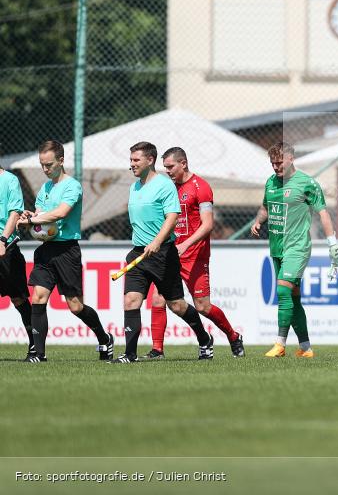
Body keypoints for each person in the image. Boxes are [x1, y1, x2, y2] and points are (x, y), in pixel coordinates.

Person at [109, 141, 213, 363]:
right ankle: (129, 354)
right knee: (131, 301)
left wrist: (157, 241)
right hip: (138, 253)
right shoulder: (134, 187)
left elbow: (172, 217)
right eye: (131, 160)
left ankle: (204, 339)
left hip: (162, 254)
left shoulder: (165, 185)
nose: (132, 165)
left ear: (150, 160)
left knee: (176, 305)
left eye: (136, 160)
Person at [143, 147, 244, 360]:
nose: (167, 171)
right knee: (158, 301)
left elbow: (207, 225)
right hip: (170, 254)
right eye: (165, 167)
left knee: (203, 307)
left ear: (184, 163)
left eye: (171, 167)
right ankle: (157, 350)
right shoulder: (168, 188)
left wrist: (185, 244)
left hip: (194, 256)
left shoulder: (201, 187)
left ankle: (233, 336)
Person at [18, 140, 113, 362]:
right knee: (39, 297)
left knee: (75, 306)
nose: (45, 169)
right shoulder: (45, 187)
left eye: (49, 164)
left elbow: (60, 213)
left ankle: (104, 338)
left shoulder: (72, 186)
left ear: (61, 161)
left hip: (66, 250)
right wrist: (29, 218)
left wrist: (33, 219)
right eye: (42, 164)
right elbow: (41, 217)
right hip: (46, 250)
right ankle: (38, 355)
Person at [252, 142, 338, 358]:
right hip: (276, 247)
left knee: (282, 291)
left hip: (298, 247)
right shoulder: (271, 182)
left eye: (279, 162)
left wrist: (333, 243)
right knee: (293, 298)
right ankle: (305, 348)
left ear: (291, 158)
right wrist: (258, 221)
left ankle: (279, 344)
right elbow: (265, 206)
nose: (275, 167)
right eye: (272, 163)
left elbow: (323, 213)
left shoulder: (307, 183)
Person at [0, 155, 34, 359]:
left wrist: (3, 240)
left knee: (18, 298)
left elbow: (15, 211)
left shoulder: (10, 180)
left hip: (6, 247)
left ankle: (35, 345)